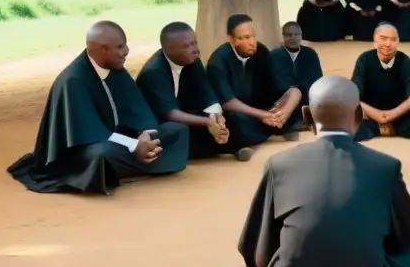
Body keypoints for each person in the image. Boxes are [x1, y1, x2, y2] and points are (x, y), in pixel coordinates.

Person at [202, 76, 410, 267]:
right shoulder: (385, 166)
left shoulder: (280, 164)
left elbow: (259, 251)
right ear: (359, 115)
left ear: (306, 116)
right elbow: (406, 237)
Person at [7, 21, 189, 194]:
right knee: (102, 154)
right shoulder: (73, 80)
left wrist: (145, 135)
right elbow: (90, 133)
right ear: (103, 49)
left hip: (122, 141)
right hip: (85, 147)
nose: (126, 51)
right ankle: (141, 163)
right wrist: (135, 146)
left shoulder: (115, 67)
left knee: (177, 130)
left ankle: (134, 163)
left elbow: (136, 108)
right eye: (120, 47)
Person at [137, 22, 250, 161]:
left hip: (187, 115)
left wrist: (216, 119)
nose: (195, 49)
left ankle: (228, 144)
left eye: (195, 43)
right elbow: (171, 114)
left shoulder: (192, 60)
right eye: (187, 46)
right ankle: (228, 147)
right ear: (168, 49)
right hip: (161, 124)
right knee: (180, 131)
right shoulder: (154, 72)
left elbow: (206, 94)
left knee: (231, 117)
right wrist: (208, 123)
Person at [207, 14, 303, 157]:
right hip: (241, 113)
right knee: (234, 121)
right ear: (231, 40)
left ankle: (274, 125)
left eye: (253, 36)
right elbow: (228, 103)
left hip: (262, 108)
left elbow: (290, 89)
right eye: (244, 38)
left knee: (294, 97)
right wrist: (263, 115)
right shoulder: (218, 61)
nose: (252, 42)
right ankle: (268, 132)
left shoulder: (261, 51)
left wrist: (284, 113)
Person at [351, 22, 410, 141]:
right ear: (374, 41)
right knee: (343, 108)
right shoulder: (364, 59)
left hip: (399, 114)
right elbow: (353, 95)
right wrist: (378, 116)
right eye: (383, 39)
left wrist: (391, 115)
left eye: (393, 39)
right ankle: (390, 128)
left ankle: (386, 128)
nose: (388, 44)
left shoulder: (403, 60)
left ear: (398, 42)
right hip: (370, 115)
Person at [270, 21, 323, 113]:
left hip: (307, 100)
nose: (293, 38)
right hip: (282, 100)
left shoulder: (310, 54)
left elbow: (317, 79)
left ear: (301, 36)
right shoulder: (274, 56)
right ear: (283, 36)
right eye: (289, 35)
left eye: (296, 35)